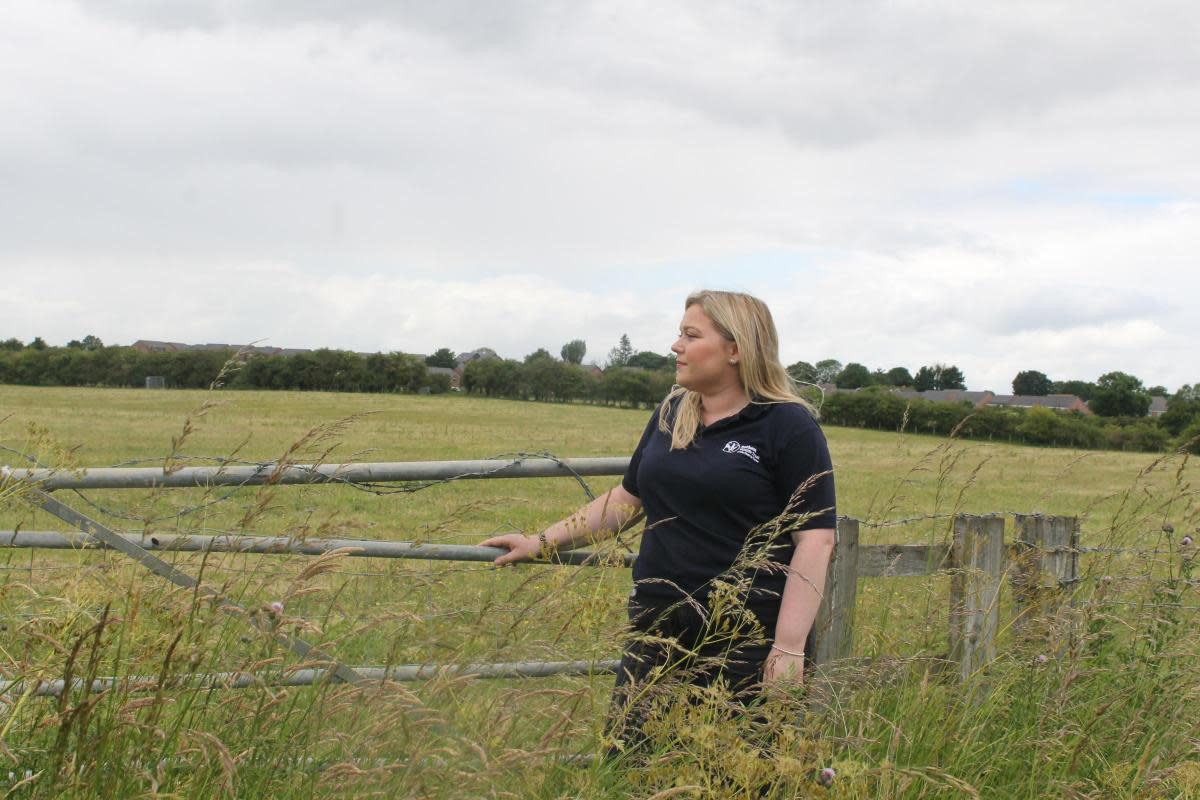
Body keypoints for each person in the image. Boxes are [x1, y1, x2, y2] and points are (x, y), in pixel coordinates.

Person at [481, 289, 836, 751]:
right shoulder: (672, 412)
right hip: (656, 631)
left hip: (742, 641)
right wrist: (541, 541)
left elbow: (815, 541)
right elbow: (628, 500)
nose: (676, 346)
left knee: (730, 773)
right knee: (634, 763)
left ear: (735, 349)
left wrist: (788, 648)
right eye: (679, 333)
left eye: (691, 335)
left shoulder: (788, 427)